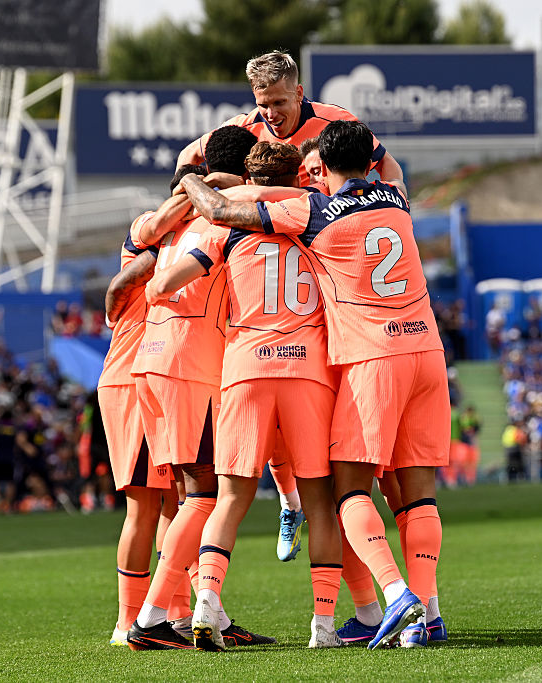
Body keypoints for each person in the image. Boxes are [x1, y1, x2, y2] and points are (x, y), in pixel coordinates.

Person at [179, 120, 449, 649]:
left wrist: (190, 176)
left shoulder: (313, 211)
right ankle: (429, 613)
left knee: (348, 489)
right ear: (370, 163)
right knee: (419, 497)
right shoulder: (396, 197)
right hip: (429, 352)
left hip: (371, 357)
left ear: (321, 169)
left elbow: (219, 210)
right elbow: (387, 164)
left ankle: (396, 600)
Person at [146, 141, 343, 649]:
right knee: (319, 501)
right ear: (297, 174)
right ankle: (323, 626)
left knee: (229, 499)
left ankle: (207, 604)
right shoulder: (315, 215)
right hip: (307, 371)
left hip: (247, 366)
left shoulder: (225, 226)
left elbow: (162, 284)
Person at [123, 126, 274, 651]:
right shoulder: (224, 212)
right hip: (191, 364)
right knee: (205, 493)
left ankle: (202, 615)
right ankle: (149, 619)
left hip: (153, 359)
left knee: (189, 496)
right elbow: (165, 283)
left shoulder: (175, 211)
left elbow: (138, 269)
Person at [98, 207, 179, 648]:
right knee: (147, 507)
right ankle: (129, 620)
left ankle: (173, 613)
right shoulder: (152, 244)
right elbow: (123, 280)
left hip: (154, 380)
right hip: (134, 382)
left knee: (177, 502)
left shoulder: (175, 252)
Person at [176, 51, 405, 190]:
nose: (271, 114)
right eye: (262, 105)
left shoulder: (335, 122)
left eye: (279, 103)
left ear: (298, 92)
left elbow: (387, 165)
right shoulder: (242, 129)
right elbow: (188, 155)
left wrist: (396, 200)